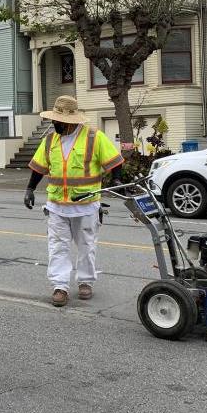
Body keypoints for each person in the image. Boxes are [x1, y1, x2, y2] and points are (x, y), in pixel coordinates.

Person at [24, 95, 123, 307]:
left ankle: (85, 281)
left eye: (57, 121)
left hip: (86, 205)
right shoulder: (50, 140)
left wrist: (116, 180)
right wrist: (30, 189)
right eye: (54, 120)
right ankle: (60, 286)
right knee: (58, 247)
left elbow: (115, 161)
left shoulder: (94, 137)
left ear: (70, 122)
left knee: (86, 246)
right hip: (57, 206)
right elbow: (39, 167)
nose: (54, 123)